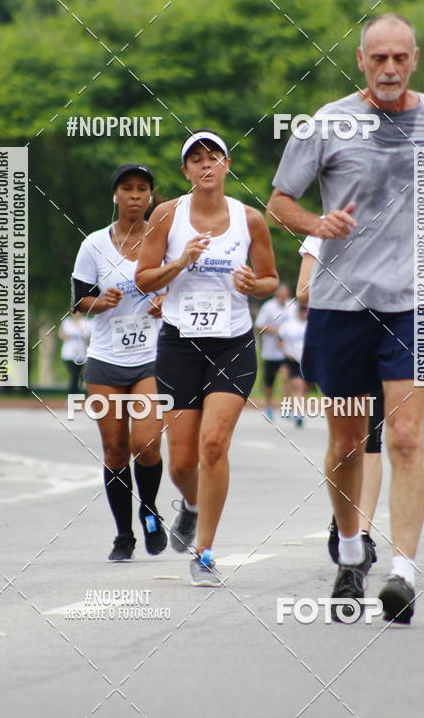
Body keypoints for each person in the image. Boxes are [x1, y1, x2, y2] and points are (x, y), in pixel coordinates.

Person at [267, 13, 424, 624]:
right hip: (339, 304)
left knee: (407, 437)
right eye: (378, 58)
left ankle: (404, 573)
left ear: (415, 58)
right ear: (360, 60)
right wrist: (316, 225)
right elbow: (281, 200)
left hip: (414, 303)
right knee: (346, 440)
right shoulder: (326, 123)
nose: (389, 69)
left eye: (399, 59)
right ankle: (352, 548)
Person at [136, 129, 278, 586]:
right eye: (196, 159)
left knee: (213, 444)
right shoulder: (166, 215)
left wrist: (254, 286)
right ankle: (191, 508)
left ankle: (205, 552)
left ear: (227, 164)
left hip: (232, 343)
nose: (206, 165)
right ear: (185, 171)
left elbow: (272, 280)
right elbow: (143, 279)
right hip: (180, 344)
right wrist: (180, 264)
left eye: (213, 157)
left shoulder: (249, 218)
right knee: (180, 463)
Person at [71, 163, 167, 562]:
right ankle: (123, 536)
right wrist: (100, 301)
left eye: (141, 188)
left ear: (149, 196)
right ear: (115, 195)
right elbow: (79, 300)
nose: (134, 195)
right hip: (107, 358)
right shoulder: (94, 244)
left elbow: (182, 283)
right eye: (126, 188)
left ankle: (149, 510)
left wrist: (167, 302)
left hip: (151, 357)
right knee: (114, 449)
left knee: (145, 444)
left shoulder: (164, 241)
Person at [297, 228, 381, 566]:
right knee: (347, 444)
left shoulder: (391, 223)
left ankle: (362, 531)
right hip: (338, 338)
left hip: (382, 337)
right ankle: (343, 518)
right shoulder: (323, 229)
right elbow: (303, 291)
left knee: (372, 440)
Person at [255, 284, 294, 421]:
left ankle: (287, 408)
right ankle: (268, 406)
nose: (283, 295)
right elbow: (259, 326)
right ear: (276, 294)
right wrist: (276, 331)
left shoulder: (292, 306)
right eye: (281, 293)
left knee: (286, 378)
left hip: (287, 352)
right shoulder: (268, 306)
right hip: (270, 352)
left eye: (285, 293)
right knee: (269, 383)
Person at [277, 302, 308, 427]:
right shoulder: (289, 325)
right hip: (290, 359)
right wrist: (286, 352)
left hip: (303, 360)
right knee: (286, 382)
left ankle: (298, 414)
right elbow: (279, 341)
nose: (304, 313)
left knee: (299, 386)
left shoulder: (311, 325)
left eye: (306, 310)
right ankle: (287, 408)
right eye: (302, 310)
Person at [58, 312, 92, 393]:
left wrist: (82, 334)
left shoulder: (87, 322)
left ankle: (78, 394)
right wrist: (71, 336)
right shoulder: (66, 322)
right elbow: (61, 335)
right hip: (68, 354)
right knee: (74, 374)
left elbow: (89, 337)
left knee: (80, 375)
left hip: (82, 355)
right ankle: (72, 395)